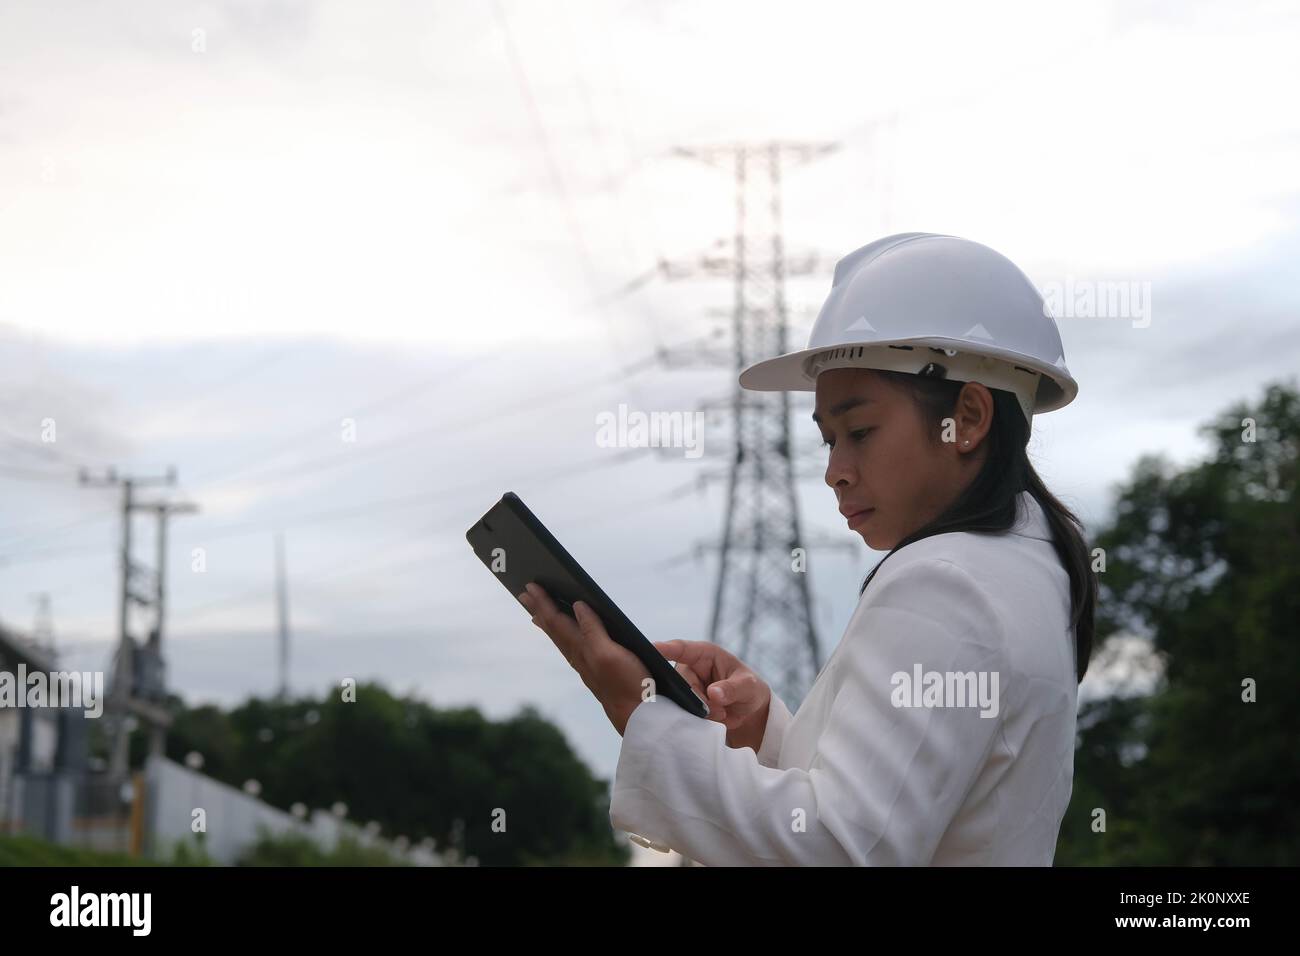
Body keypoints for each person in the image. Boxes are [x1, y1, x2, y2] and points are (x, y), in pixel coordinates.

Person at [517, 232, 1095, 865]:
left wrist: (645, 716)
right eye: (828, 440)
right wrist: (763, 739)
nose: (836, 471)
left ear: (971, 418)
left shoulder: (942, 585)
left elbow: (841, 850)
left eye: (861, 431)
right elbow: (884, 817)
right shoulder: (1028, 564)